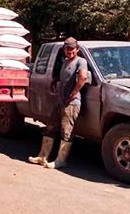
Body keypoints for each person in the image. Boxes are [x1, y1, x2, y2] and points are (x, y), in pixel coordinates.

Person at [28, 37, 88, 169]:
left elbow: (83, 77)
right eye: (67, 49)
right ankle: (42, 156)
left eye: (72, 49)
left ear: (77, 49)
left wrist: (73, 94)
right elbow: (65, 76)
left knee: (66, 131)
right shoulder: (66, 61)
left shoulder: (81, 61)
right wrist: (56, 80)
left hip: (71, 103)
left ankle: (61, 160)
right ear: (64, 50)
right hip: (60, 101)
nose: (70, 51)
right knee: (50, 127)